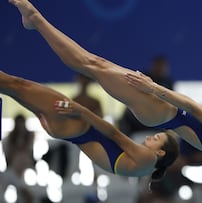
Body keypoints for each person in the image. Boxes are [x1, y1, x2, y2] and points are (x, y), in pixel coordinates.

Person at [10, 0, 202, 157]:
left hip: (161, 112)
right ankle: (36, 21)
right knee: (95, 63)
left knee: (90, 65)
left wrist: (153, 87)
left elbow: (195, 108)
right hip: (162, 109)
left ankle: (36, 20)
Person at [0, 70, 179, 180]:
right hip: (67, 128)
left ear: (160, 152)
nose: (149, 137)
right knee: (13, 88)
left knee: (16, 85)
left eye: (155, 138)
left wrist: (81, 110)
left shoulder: (148, 160)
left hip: (71, 123)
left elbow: (114, 134)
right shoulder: (142, 169)